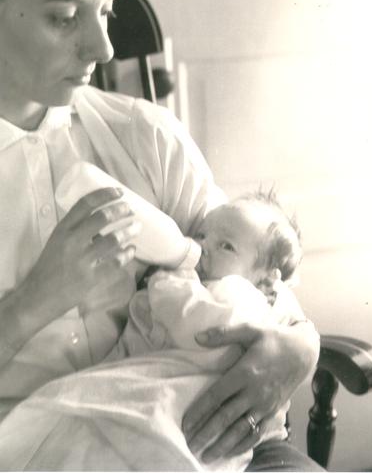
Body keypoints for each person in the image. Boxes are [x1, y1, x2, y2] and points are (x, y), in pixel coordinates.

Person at [0, 0, 323, 470]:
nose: (104, 48)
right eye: (63, 17)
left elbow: (255, 277)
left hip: (190, 443)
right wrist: (32, 302)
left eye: (107, 9)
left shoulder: (145, 139)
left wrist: (299, 350)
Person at [0, 189, 312, 471]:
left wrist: (303, 346)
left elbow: (206, 326)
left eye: (225, 246)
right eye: (201, 236)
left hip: (177, 409)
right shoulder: (221, 277)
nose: (202, 249)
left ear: (267, 281)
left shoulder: (235, 293)